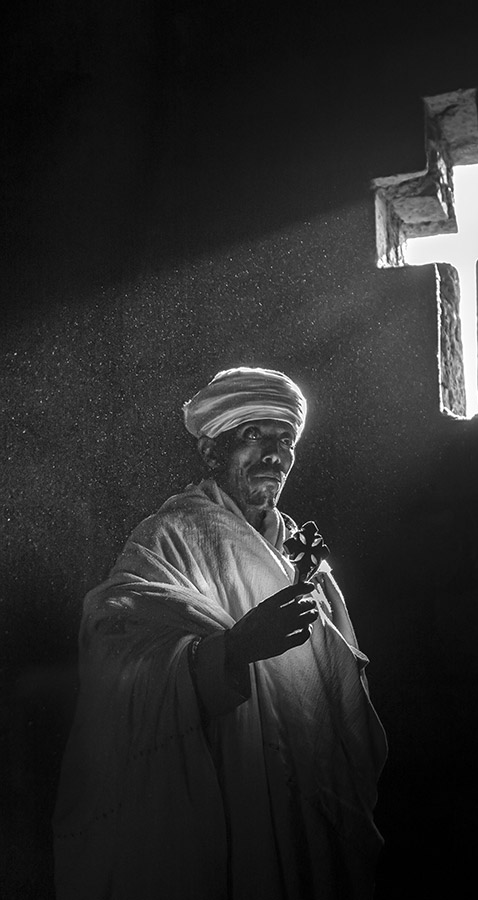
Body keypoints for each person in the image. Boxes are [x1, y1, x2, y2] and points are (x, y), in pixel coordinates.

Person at [53, 366, 387, 900]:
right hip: (228, 796)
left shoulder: (303, 554)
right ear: (212, 453)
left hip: (304, 805)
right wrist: (231, 652)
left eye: (286, 440)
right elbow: (117, 652)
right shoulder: (169, 539)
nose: (275, 455)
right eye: (255, 436)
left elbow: (341, 697)